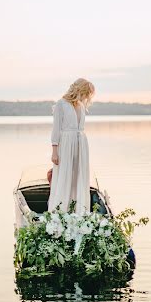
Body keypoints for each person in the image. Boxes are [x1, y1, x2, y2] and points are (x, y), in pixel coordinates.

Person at [47, 78, 95, 215]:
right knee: (65, 175)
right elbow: (56, 130)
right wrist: (54, 151)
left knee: (79, 176)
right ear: (79, 90)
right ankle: (60, 211)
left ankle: (78, 211)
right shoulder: (61, 105)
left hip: (81, 144)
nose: (87, 97)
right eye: (86, 93)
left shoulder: (81, 106)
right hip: (66, 144)